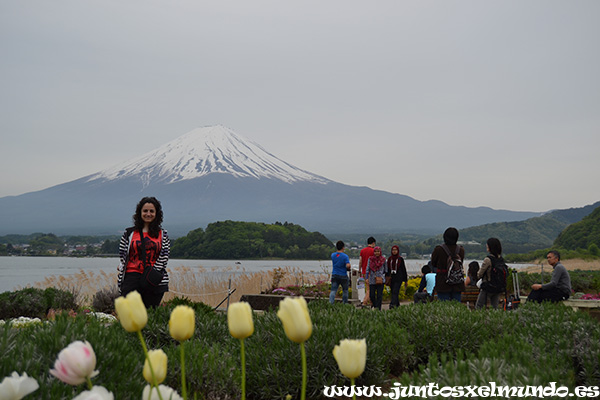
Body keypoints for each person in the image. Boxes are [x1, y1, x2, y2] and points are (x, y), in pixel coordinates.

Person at [117, 197, 170, 308]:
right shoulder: (129, 233)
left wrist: (152, 273)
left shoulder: (163, 234)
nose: (148, 214)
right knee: (129, 314)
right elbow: (123, 254)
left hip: (153, 280)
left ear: (157, 213)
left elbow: (164, 257)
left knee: (150, 315)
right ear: (139, 212)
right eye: (145, 211)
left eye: (151, 211)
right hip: (131, 278)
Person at [431, 227, 465, 302]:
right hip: (457, 281)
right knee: (456, 307)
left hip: (443, 281)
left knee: (444, 306)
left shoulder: (439, 249)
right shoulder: (460, 250)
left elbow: (433, 263)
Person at [476, 238, 504, 309]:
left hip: (487, 287)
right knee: (495, 308)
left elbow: (479, 274)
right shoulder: (501, 259)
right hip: (498, 287)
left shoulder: (488, 259)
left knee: (479, 306)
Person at [359, 237, 376, 307]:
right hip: (371, 272)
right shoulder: (374, 251)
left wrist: (359, 269)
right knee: (370, 289)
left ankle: (371, 302)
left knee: (367, 287)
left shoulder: (362, 251)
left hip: (364, 272)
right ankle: (365, 302)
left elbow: (360, 261)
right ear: (373, 243)